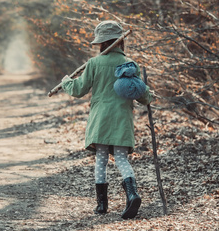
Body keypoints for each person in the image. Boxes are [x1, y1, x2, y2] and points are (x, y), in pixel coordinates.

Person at [61, 20, 153, 219]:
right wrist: (149, 95)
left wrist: (66, 81)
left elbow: (78, 90)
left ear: (101, 43)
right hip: (121, 120)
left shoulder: (94, 63)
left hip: (100, 120)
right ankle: (132, 194)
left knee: (101, 160)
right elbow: (141, 95)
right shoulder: (130, 65)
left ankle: (101, 205)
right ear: (120, 42)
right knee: (121, 158)